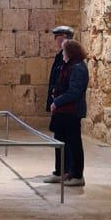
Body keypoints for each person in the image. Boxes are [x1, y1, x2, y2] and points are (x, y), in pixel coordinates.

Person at [46, 39, 89, 187]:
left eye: (64, 51)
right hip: (62, 113)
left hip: (71, 112)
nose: (62, 53)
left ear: (70, 52)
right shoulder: (68, 65)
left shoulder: (78, 67)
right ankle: (61, 172)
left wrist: (57, 101)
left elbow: (74, 92)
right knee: (60, 142)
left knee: (73, 143)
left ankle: (77, 175)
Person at [43, 25, 73, 182]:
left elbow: (68, 86)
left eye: (59, 38)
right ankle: (60, 170)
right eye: (56, 38)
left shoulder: (71, 61)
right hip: (59, 105)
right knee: (59, 138)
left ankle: (65, 171)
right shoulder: (61, 56)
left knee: (65, 141)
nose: (57, 41)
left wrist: (57, 101)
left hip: (65, 107)